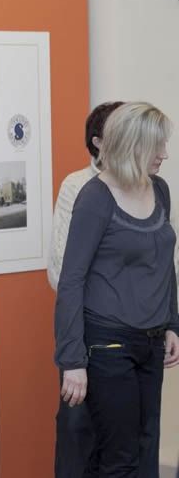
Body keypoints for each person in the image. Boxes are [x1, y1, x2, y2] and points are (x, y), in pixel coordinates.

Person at [55, 102, 179, 477]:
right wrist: (72, 361)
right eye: (157, 145)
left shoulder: (159, 189)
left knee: (145, 447)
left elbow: (164, 262)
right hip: (108, 344)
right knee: (119, 458)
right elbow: (71, 280)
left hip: (151, 342)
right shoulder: (95, 197)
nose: (164, 154)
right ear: (132, 145)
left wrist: (172, 323)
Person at [48, 101, 122, 478]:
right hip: (85, 328)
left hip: (130, 334)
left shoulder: (148, 186)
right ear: (98, 142)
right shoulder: (76, 186)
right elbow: (60, 271)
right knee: (77, 428)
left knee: (124, 436)